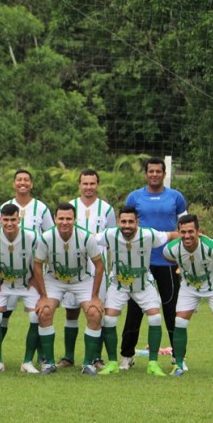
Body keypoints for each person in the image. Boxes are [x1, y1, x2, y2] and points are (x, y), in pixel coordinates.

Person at [120, 157, 187, 370]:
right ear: (146, 174)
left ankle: (178, 357)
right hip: (139, 264)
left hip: (167, 261)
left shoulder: (176, 197)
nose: (155, 175)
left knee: (171, 308)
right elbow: (125, 227)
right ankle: (127, 355)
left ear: (164, 173)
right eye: (151, 171)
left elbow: (185, 228)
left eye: (159, 171)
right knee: (135, 309)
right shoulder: (135, 197)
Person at [95, 206, 177, 377]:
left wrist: (197, 237)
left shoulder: (148, 234)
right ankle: (112, 363)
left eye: (131, 221)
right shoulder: (110, 234)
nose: (127, 225)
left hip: (143, 285)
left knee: (155, 317)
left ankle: (153, 364)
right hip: (118, 286)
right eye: (123, 221)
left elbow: (172, 235)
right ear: (118, 222)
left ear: (137, 222)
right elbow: (89, 239)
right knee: (109, 319)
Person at [32, 202, 104, 375]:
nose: (65, 222)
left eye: (68, 218)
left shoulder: (87, 237)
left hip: (82, 280)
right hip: (54, 280)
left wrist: (94, 296)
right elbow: (37, 265)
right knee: (44, 311)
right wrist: (42, 296)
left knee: (94, 313)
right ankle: (48, 363)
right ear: (55, 218)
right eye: (61, 218)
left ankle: (88, 364)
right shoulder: (46, 237)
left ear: (74, 219)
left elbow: (99, 265)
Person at [163, 214, 213, 378]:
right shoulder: (172, 248)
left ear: (198, 231)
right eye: (183, 232)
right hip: (190, 287)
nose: (187, 235)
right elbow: (167, 256)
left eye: (191, 231)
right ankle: (179, 364)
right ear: (179, 232)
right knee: (180, 322)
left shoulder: (212, 246)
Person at [59, 169, 117, 369]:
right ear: (79, 185)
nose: (88, 187)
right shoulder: (71, 207)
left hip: (97, 269)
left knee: (95, 311)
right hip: (72, 269)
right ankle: (68, 356)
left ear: (97, 185)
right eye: (85, 183)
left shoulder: (107, 209)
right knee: (71, 311)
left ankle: (95, 357)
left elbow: (111, 239)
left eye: (92, 183)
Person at [0, 203, 41, 373]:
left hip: (26, 282)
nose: (9, 223)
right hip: (2, 284)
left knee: (35, 317)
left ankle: (28, 362)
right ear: (0, 220)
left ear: (19, 219)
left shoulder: (33, 237)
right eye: (6, 220)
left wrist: (36, 279)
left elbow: (41, 259)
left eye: (13, 220)